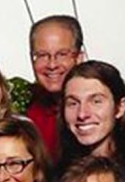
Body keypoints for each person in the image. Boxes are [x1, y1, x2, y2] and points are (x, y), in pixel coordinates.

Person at [26, 15, 85, 161]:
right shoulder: (30, 116)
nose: (52, 65)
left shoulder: (109, 109)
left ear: (79, 58)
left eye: (62, 54)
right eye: (42, 55)